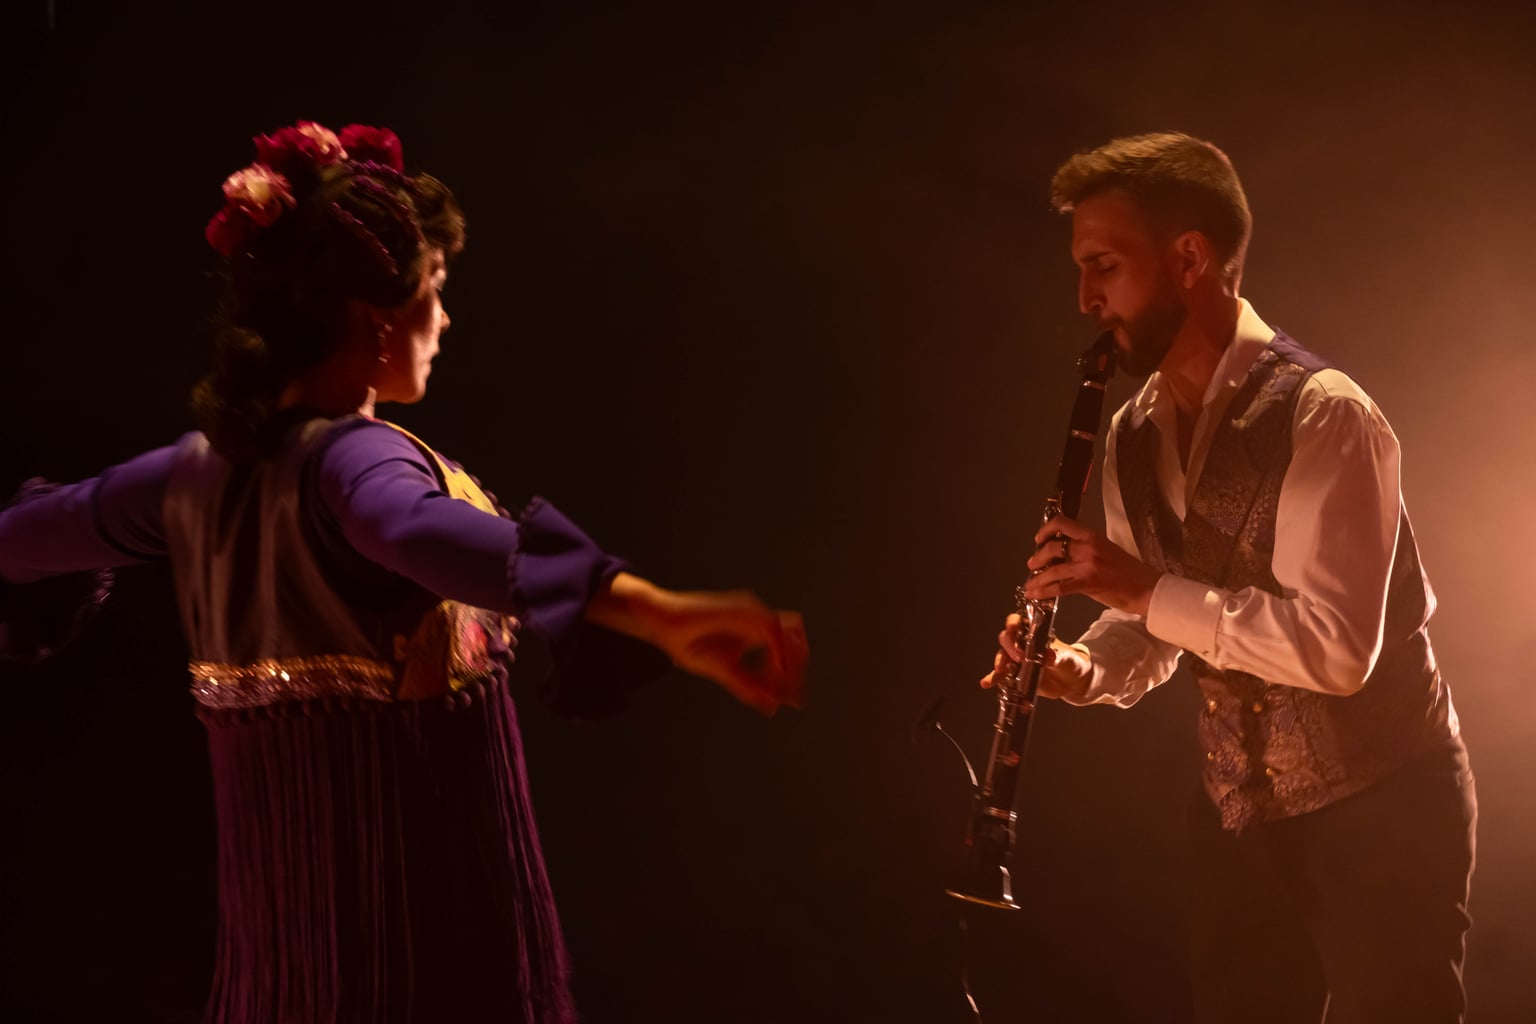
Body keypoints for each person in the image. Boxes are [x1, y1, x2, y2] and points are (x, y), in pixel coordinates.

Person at [0, 120, 808, 1024]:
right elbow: (413, 531)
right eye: (437, 290)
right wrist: (660, 612)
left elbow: (20, 538)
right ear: (375, 318)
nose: (446, 319)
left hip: (293, 977)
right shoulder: (360, 462)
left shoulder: (191, 476)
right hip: (415, 965)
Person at [982, 132, 1474, 1023]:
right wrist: (1081, 670)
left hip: (1386, 807)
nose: (1087, 299)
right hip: (1234, 817)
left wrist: (1135, 588)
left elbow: (1334, 654)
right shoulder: (1130, 433)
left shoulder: (1329, 417)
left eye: (1104, 266)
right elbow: (1155, 620)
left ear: (1190, 260)